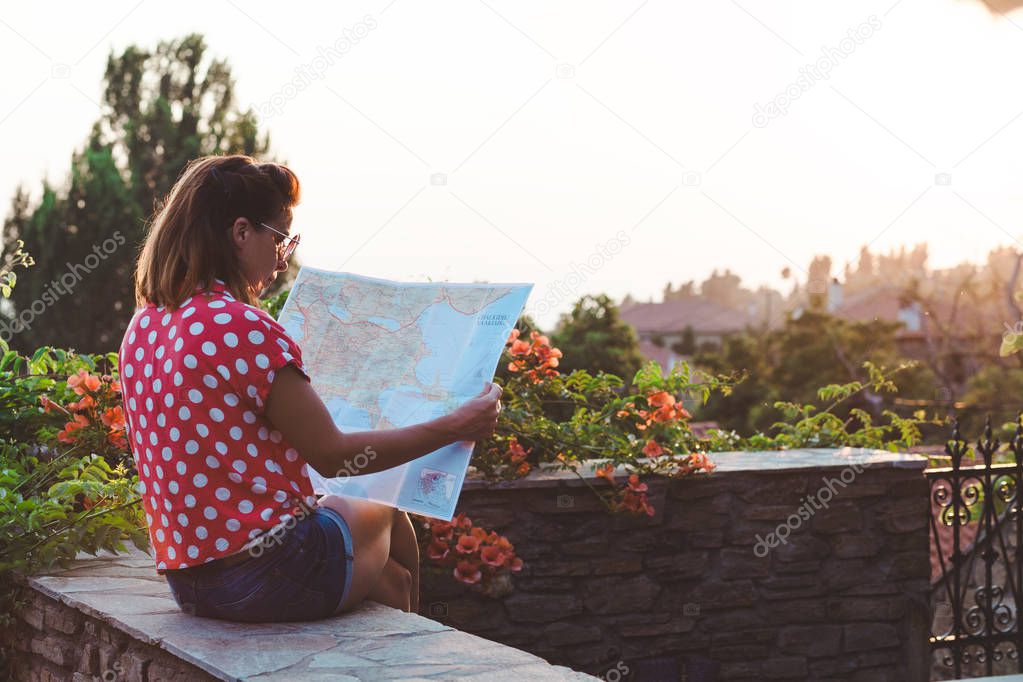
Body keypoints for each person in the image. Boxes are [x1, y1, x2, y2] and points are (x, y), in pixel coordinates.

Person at [118, 154, 502, 622]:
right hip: (270, 573)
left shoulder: (145, 325)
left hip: (196, 585)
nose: (284, 260)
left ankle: (402, 609)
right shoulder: (242, 327)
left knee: (391, 576)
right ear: (241, 233)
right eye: (281, 239)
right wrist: (456, 425)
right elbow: (333, 456)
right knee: (377, 495)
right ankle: (418, 631)